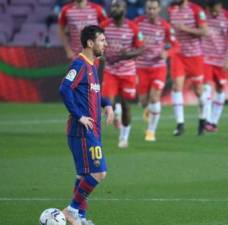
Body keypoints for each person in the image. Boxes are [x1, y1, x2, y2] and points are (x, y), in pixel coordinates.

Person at [59, 25, 114, 225]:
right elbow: (64, 89)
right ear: (90, 43)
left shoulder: (93, 64)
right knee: (99, 172)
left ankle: (79, 218)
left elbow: (94, 92)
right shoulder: (80, 65)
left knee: (83, 174)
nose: (105, 43)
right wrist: (79, 115)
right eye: (102, 40)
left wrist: (107, 105)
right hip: (82, 131)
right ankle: (71, 210)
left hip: (91, 131)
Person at [100, 0, 145, 148]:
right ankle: (116, 113)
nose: (114, 8)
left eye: (118, 5)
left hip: (127, 73)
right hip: (110, 71)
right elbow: (97, 43)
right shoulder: (104, 26)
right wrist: (102, 52)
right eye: (113, 6)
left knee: (126, 106)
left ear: (125, 9)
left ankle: (124, 137)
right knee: (108, 104)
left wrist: (128, 54)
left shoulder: (132, 27)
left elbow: (141, 49)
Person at [134, 0, 178, 141]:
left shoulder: (165, 26)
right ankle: (148, 109)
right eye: (149, 8)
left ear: (159, 9)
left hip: (158, 67)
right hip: (141, 67)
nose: (151, 11)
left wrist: (167, 53)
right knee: (143, 101)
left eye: (154, 8)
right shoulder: (137, 22)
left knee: (154, 97)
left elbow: (176, 46)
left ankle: (151, 132)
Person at [168, 0, 209, 136]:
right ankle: (180, 124)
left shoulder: (196, 10)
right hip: (178, 54)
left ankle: (202, 120)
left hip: (194, 55)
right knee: (176, 87)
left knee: (198, 91)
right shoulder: (172, 10)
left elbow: (205, 31)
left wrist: (186, 29)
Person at [202, 0, 228, 132]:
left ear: (220, 5)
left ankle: (214, 121)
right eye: (210, 8)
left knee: (220, 89)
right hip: (205, 58)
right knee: (205, 88)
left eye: (215, 7)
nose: (213, 11)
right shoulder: (202, 16)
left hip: (221, 60)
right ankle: (205, 120)